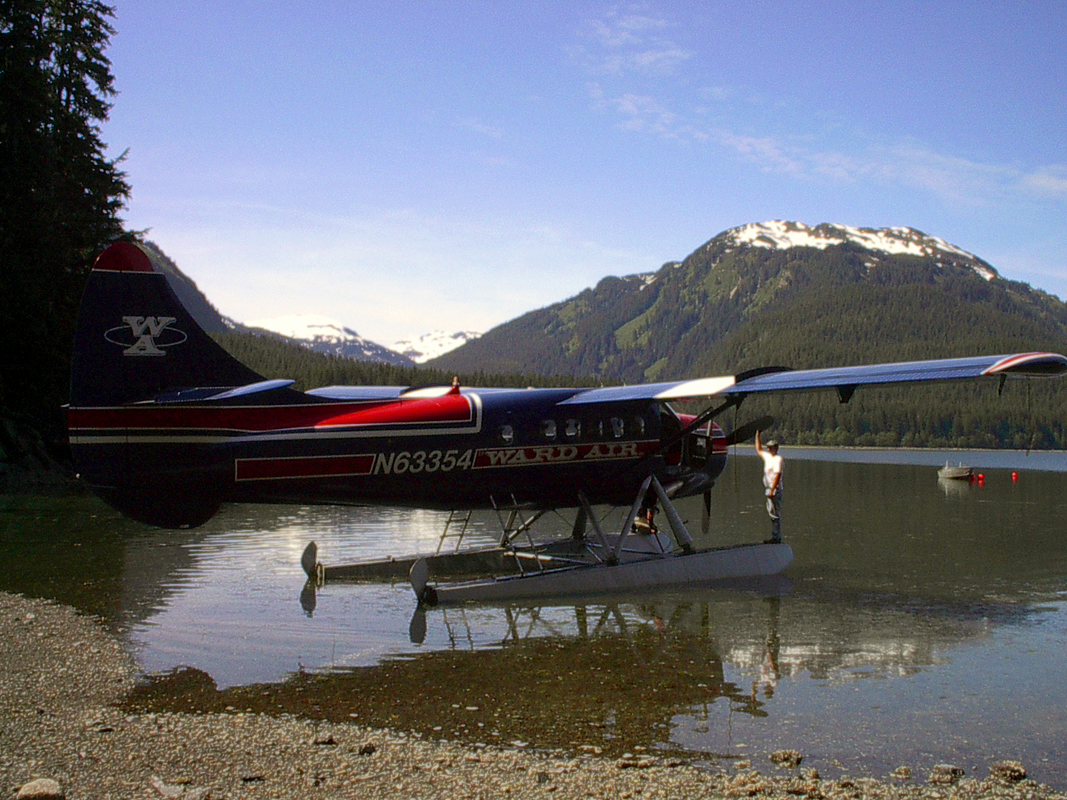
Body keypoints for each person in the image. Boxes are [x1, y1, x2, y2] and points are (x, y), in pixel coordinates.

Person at [755, 430, 782, 543]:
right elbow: (759, 449)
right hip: (769, 489)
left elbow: (778, 475)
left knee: (775, 514)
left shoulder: (777, 459)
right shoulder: (767, 457)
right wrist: (757, 436)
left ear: (775, 449)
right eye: (768, 447)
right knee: (771, 513)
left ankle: (776, 537)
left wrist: (772, 489)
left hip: (775, 490)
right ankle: (774, 536)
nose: (768, 449)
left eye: (771, 448)